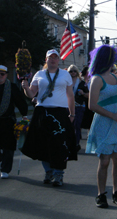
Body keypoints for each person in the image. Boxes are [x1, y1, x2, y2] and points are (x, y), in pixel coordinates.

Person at [21, 49, 77, 187]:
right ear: (46, 59)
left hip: (60, 113)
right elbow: (31, 94)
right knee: (43, 144)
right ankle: (49, 171)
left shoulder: (65, 75)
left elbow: (70, 96)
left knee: (59, 145)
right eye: (50, 57)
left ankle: (59, 175)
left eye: (55, 57)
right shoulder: (39, 74)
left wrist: (72, 113)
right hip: (42, 112)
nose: (53, 60)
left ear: (59, 60)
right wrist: (25, 87)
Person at [85, 45, 117, 208]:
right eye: (112, 57)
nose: (114, 60)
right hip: (104, 121)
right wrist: (112, 115)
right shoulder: (97, 79)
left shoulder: (115, 76)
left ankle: (116, 192)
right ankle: (101, 194)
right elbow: (92, 105)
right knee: (104, 160)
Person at [67, 64, 88, 151]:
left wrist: (83, 93)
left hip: (79, 106)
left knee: (77, 125)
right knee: (69, 126)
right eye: (71, 71)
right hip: (67, 106)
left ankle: (76, 143)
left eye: (74, 71)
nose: (73, 73)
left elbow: (89, 95)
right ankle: (69, 143)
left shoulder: (82, 82)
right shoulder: (66, 81)